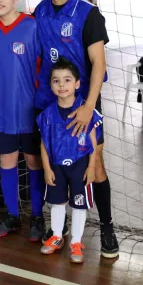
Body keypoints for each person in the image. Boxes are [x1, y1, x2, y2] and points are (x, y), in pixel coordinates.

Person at [33, 0, 119, 258]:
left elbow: (98, 63)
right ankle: (56, 229)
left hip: (83, 104)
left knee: (94, 168)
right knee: (52, 166)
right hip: (50, 103)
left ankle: (107, 227)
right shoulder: (40, 12)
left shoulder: (88, 14)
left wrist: (88, 106)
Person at [0, 0, 46, 240]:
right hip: (1, 109)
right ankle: (11, 215)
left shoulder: (32, 26)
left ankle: (37, 216)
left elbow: (44, 68)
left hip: (30, 109)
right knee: (7, 160)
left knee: (34, 161)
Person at [38, 57, 101, 264]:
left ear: (77, 83)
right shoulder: (47, 114)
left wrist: (91, 166)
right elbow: (44, 143)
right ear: (51, 85)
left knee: (79, 205)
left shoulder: (85, 111)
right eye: (56, 81)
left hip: (80, 165)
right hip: (56, 165)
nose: (61, 85)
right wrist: (46, 168)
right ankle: (57, 235)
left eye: (67, 80)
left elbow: (93, 140)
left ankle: (76, 241)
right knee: (57, 202)